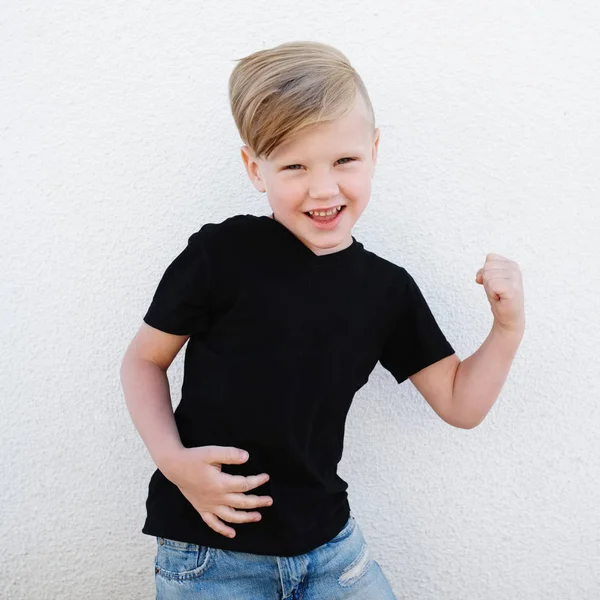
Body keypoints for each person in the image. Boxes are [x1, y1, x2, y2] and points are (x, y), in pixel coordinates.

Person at [120, 40, 525, 600]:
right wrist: (174, 462)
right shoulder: (221, 254)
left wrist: (506, 329)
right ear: (254, 168)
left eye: (344, 160)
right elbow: (144, 359)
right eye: (294, 166)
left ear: (375, 150)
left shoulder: (386, 290)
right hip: (210, 554)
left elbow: (460, 402)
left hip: (333, 551)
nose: (324, 188)